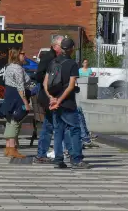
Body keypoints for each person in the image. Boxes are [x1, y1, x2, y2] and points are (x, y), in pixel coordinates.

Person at [45, 36, 89, 169]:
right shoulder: (72, 64)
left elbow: (45, 82)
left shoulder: (53, 62)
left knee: (58, 130)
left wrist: (51, 98)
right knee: (75, 130)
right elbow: (70, 86)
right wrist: (59, 100)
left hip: (54, 102)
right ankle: (76, 159)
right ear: (71, 49)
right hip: (67, 103)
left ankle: (58, 159)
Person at [33, 36, 64, 164]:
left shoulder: (58, 58)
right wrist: (51, 82)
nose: (64, 47)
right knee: (51, 125)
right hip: (49, 96)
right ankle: (46, 153)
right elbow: (38, 75)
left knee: (50, 124)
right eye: (62, 45)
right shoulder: (48, 57)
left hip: (54, 96)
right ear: (55, 46)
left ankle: (45, 153)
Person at [0, 47, 32, 159]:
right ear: (17, 55)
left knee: (9, 119)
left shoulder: (9, 67)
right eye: (22, 53)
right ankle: (13, 149)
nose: (24, 55)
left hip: (9, 94)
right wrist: (26, 102)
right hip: (17, 95)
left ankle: (8, 148)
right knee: (15, 121)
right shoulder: (18, 69)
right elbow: (20, 86)